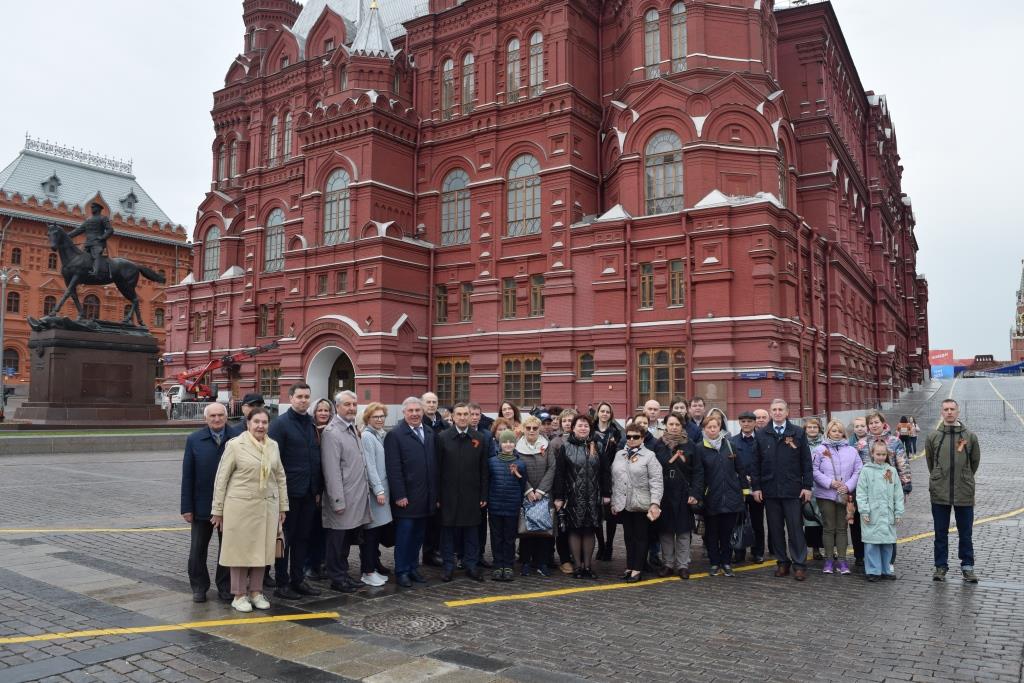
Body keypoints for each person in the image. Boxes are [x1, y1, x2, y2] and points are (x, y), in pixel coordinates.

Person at [211, 407, 287, 612]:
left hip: (266, 507)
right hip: (240, 507)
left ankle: (256, 591)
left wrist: (282, 507)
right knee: (240, 551)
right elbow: (221, 478)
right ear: (248, 423)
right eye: (256, 422)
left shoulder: (273, 446)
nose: (260, 426)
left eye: (264, 422)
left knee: (261, 550)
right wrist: (217, 510)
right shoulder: (235, 445)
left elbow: (279, 477)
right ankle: (239, 595)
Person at [268, 382, 322, 600]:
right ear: (290, 398)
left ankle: (298, 579)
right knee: (285, 540)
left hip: (309, 492)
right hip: (288, 493)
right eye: (299, 396)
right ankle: (282, 583)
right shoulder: (280, 425)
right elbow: (274, 461)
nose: (303, 400)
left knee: (302, 539)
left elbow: (315, 457)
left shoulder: (310, 423)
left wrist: (317, 488)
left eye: (306, 397)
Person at [321, 390, 377, 592]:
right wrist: (337, 501)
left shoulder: (352, 427)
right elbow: (331, 470)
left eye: (354, 404)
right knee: (336, 542)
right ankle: (337, 578)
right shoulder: (332, 432)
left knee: (345, 541)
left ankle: (343, 574)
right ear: (337, 407)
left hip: (356, 496)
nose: (352, 408)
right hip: (342, 498)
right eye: (347, 404)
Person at [752, 399, 813, 581]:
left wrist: (807, 486)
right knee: (775, 529)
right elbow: (756, 464)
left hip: (792, 489)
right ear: (771, 413)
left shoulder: (798, 433)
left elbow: (806, 462)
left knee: (795, 529)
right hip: (770, 490)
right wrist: (756, 487)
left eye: (780, 410)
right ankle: (782, 562)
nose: (777, 412)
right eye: (774, 410)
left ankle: (799, 564)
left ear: (787, 412)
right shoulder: (762, 434)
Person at [180, 403, 233, 602]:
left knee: (227, 549)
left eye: (220, 415)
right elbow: (188, 476)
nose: (217, 419)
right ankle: (199, 587)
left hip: (231, 505)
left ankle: (225, 586)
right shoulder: (194, 439)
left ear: (226, 417)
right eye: (212, 416)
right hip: (202, 505)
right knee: (197, 550)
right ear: (206, 419)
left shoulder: (237, 437)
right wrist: (186, 507)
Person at [385, 396, 439, 588]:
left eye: (418, 410)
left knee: (418, 537)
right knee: (404, 537)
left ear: (422, 412)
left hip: (426, 497)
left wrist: (435, 496)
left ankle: (413, 568)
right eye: (411, 411)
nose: (415, 414)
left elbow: (434, 467)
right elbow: (394, 468)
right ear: (404, 413)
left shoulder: (430, 432)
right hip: (406, 498)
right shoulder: (396, 435)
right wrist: (399, 495)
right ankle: (402, 571)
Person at [925, 399, 981, 583]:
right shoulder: (933, 436)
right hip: (939, 492)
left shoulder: (970, 436)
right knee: (940, 533)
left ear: (958, 412)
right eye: (946, 409)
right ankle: (940, 567)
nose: (949, 412)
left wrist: (964, 477)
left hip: (963, 492)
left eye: (952, 409)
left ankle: (968, 567)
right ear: (942, 412)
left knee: (966, 533)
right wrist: (939, 477)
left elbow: (974, 463)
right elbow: (931, 463)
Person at [436, 403, 490, 582]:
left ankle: (472, 565)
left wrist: (483, 495)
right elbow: (437, 469)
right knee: (447, 534)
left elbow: (484, 470)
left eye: (466, 414)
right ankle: (448, 567)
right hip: (448, 495)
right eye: (459, 414)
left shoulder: (479, 438)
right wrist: (437, 496)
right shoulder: (443, 437)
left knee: (471, 533)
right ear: (452, 417)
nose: (462, 417)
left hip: (472, 495)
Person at [692, 413, 746, 577]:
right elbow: (698, 475)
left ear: (720, 427)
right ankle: (715, 563)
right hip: (711, 498)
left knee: (727, 534)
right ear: (704, 429)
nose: (712, 430)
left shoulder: (730, 446)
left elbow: (740, 470)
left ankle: (727, 562)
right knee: (711, 534)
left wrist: (744, 491)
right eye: (709, 427)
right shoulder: (699, 448)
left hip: (731, 497)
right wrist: (699, 495)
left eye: (715, 426)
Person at [553, 415, 604, 579]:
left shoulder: (597, 446)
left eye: (586, 426)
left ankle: (588, 566)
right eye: (580, 425)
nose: (583, 428)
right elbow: (559, 474)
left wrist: (607, 493)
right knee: (574, 530)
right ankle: (578, 566)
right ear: (573, 428)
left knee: (589, 531)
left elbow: (605, 472)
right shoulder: (565, 447)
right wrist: (559, 497)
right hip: (573, 496)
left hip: (593, 496)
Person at [610, 426, 663, 582]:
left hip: (641, 502)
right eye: (629, 436)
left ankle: (637, 569)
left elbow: (656, 481)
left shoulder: (649, 456)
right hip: (624, 502)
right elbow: (614, 480)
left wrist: (655, 503)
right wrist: (614, 501)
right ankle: (629, 566)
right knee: (628, 536)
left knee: (641, 537)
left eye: (636, 436)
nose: (631, 439)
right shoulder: (620, 454)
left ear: (643, 438)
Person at [811, 419, 862, 575]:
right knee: (828, 527)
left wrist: (847, 486)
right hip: (825, 494)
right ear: (828, 432)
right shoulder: (819, 450)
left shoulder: (852, 451)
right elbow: (813, 470)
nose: (837, 434)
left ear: (844, 433)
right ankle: (828, 560)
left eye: (840, 431)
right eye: (834, 431)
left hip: (844, 494)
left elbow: (858, 470)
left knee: (842, 528)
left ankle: (842, 560)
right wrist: (830, 483)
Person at [654, 412, 697, 578]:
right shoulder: (659, 445)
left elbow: (698, 471)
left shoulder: (690, 445)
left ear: (682, 426)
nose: (674, 427)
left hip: (683, 492)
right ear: (666, 426)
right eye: (671, 424)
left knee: (683, 531)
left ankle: (682, 564)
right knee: (666, 531)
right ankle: (668, 564)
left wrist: (694, 492)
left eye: (677, 424)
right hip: (664, 492)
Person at [856, 441, 904, 582]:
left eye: (884, 454)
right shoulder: (866, 470)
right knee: (872, 544)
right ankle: (873, 570)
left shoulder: (891, 471)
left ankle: (886, 569)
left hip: (887, 513)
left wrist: (898, 512)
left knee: (887, 543)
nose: (881, 457)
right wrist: (864, 510)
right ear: (872, 454)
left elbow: (898, 493)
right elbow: (861, 492)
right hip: (872, 513)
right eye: (878, 454)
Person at [516, 415, 554, 576]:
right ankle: (525, 561)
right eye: (528, 428)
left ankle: (542, 562)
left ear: (539, 429)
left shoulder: (547, 445)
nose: (531, 431)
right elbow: (516, 468)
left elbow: (552, 468)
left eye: (535, 428)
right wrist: (528, 490)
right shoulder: (517, 447)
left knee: (544, 530)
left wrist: (540, 491)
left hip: (544, 494)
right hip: (526, 494)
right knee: (527, 530)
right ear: (524, 429)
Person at [360, 402, 393, 579]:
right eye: (376, 417)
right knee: (371, 533)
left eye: (382, 416)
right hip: (376, 493)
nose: (379, 419)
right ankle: (368, 571)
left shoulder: (380, 434)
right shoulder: (367, 436)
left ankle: (374, 564)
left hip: (383, 491)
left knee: (378, 531)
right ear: (368, 418)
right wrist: (379, 490)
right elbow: (370, 466)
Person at [489, 430, 527, 580]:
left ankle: (508, 565)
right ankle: (498, 564)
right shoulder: (492, 462)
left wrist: (517, 474)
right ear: (500, 444)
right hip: (495, 505)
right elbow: (489, 482)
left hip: (512, 507)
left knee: (509, 537)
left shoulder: (520, 463)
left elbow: (522, 484)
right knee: (496, 537)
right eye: (505, 442)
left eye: (511, 442)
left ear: (514, 443)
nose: (508, 444)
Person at [730, 411, 765, 564]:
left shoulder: (762, 440)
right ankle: (739, 550)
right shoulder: (732, 441)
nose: (746, 424)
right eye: (743, 421)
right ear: (739, 423)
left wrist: (756, 479)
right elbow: (730, 465)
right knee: (739, 521)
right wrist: (742, 478)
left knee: (757, 521)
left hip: (758, 487)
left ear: (755, 423)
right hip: (739, 488)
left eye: (750, 421)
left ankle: (758, 552)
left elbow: (766, 463)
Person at [305, 398, 333, 581]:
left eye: (326, 410)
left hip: (330, 488)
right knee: (311, 529)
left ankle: (322, 563)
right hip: (314, 489)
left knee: (325, 530)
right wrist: (316, 490)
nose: (323, 413)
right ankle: (309, 565)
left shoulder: (332, 431)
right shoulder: (310, 431)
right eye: (320, 410)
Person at [592, 401, 623, 561]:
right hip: (593, 475)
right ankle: (601, 544)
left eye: (607, 412)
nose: (604, 414)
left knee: (610, 513)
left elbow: (619, 452)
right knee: (596, 512)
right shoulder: (591, 429)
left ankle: (610, 544)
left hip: (611, 475)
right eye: (602, 411)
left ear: (611, 415)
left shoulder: (615, 432)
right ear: (598, 413)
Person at [549, 409, 578, 573]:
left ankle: (576, 556)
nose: (567, 423)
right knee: (562, 526)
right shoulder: (556, 443)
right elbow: (554, 470)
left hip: (577, 490)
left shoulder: (583, 440)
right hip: (561, 490)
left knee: (576, 525)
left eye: (570, 420)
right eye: (565, 420)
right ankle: (565, 558)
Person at [68, 201, 114, 277]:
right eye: (91, 207)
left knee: (96, 254)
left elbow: (110, 230)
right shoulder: (88, 220)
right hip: (88, 243)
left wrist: (102, 237)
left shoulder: (103, 218)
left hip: (98, 243)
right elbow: (79, 230)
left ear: (98, 209)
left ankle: (96, 272)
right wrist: (67, 235)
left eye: (93, 207)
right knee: (81, 257)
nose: (92, 209)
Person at [802, 417, 826, 561]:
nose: (812, 430)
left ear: (819, 429)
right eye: (809, 427)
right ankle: (814, 548)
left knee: (824, 519)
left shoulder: (825, 444)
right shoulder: (800, 443)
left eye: (815, 427)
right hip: (807, 486)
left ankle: (828, 547)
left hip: (823, 487)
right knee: (809, 518)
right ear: (805, 430)